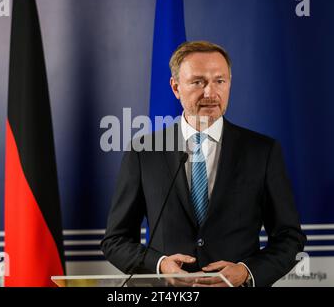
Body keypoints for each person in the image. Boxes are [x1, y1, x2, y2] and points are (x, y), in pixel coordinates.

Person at [101, 41, 306, 287]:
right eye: (198, 82)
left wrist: (246, 272)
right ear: (175, 87)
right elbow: (116, 240)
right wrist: (159, 265)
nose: (210, 93)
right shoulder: (144, 152)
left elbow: (290, 238)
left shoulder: (262, 151)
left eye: (220, 81)